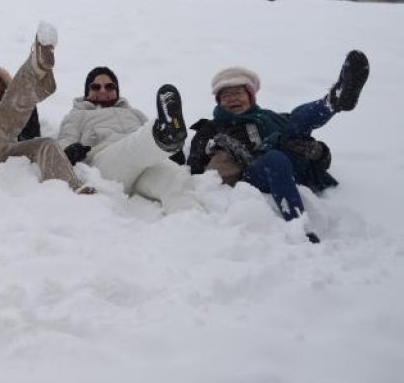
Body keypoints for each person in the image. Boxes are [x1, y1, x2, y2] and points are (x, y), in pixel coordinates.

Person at [185, 51, 369, 242]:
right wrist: (212, 147)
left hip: (293, 165)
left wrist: (318, 152)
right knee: (275, 158)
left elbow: (322, 157)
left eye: (238, 93)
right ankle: (298, 225)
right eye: (226, 96)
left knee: (297, 118)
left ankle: (335, 99)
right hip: (255, 174)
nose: (232, 99)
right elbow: (195, 168)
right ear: (219, 102)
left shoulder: (274, 118)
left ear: (250, 96)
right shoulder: (211, 127)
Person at [0, 23, 93, 194]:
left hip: (5, 153)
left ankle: (74, 190)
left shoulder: (15, 111)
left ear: (2, 96)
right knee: (2, 122)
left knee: (46, 143)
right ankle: (37, 72)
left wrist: (65, 156)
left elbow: (31, 139)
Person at [56, 67, 200, 212]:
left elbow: (145, 134)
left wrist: (173, 155)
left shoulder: (134, 113)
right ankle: (164, 137)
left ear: (116, 90)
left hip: (142, 166)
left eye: (109, 86)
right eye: (96, 86)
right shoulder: (77, 115)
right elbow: (64, 142)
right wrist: (70, 151)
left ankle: (194, 220)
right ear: (87, 91)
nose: (103, 90)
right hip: (105, 168)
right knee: (133, 148)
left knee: (175, 179)